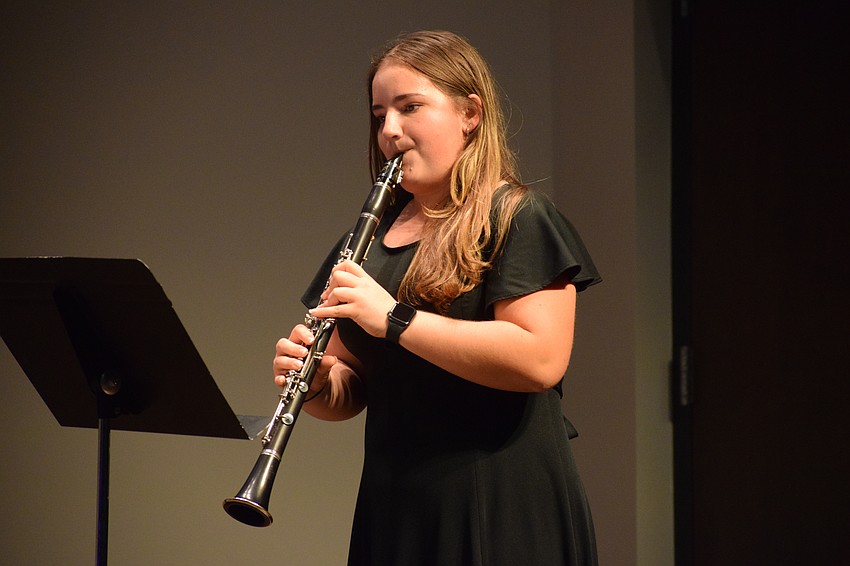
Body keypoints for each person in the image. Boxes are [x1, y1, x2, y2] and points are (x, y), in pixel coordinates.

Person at [274, 30, 601, 566]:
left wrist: (395, 319)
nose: (390, 131)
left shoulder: (517, 216)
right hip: (398, 504)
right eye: (380, 115)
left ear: (470, 113)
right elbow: (351, 389)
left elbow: (539, 360)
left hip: (499, 502)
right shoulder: (367, 239)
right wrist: (316, 385)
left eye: (410, 108)